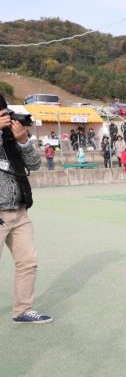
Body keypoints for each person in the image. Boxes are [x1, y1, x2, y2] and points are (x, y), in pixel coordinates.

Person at [1, 95, 52, 324]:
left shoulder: (11, 137)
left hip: (20, 211)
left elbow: (34, 165)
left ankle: (22, 310)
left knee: (28, 262)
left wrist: (23, 141)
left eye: (5, 112)